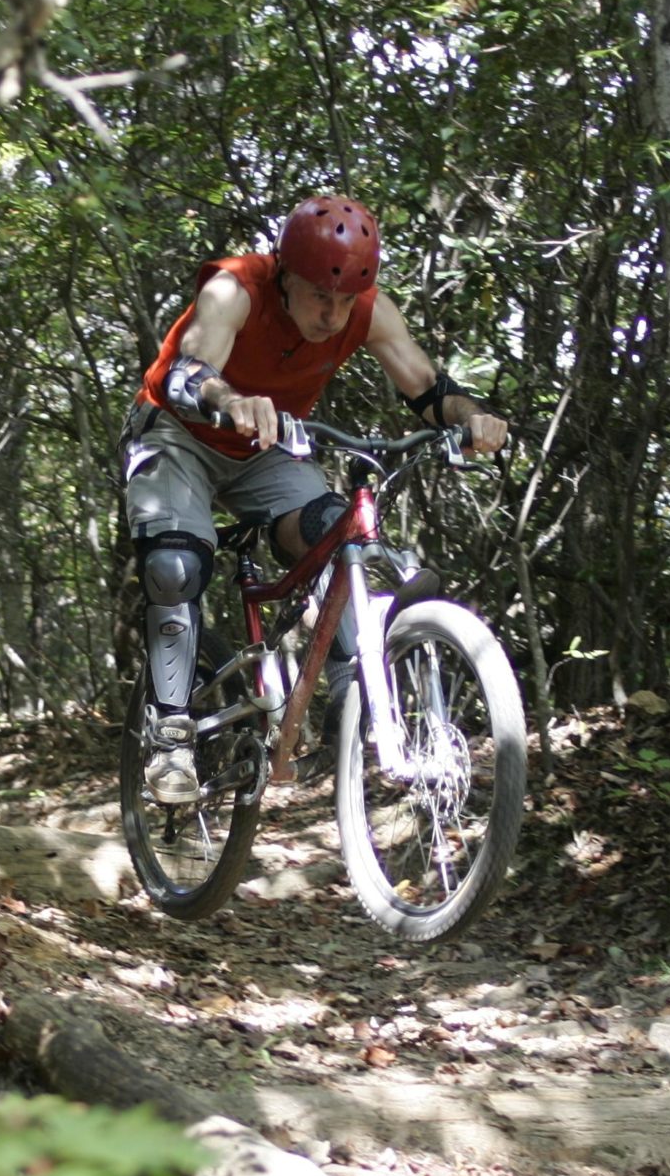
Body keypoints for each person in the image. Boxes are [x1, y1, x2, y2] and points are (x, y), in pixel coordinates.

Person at [123, 195, 509, 803]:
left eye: (344, 301)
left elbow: (429, 388)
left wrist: (473, 416)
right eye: (318, 297)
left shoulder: (367, 311)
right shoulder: (236, 291)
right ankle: (170, 740)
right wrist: (230, 401)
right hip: (179, 432)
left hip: (265, 449)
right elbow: (186, 371)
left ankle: (349, 692)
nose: (332, 316)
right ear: (283, 275)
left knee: (336, 530)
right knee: (176, 566)